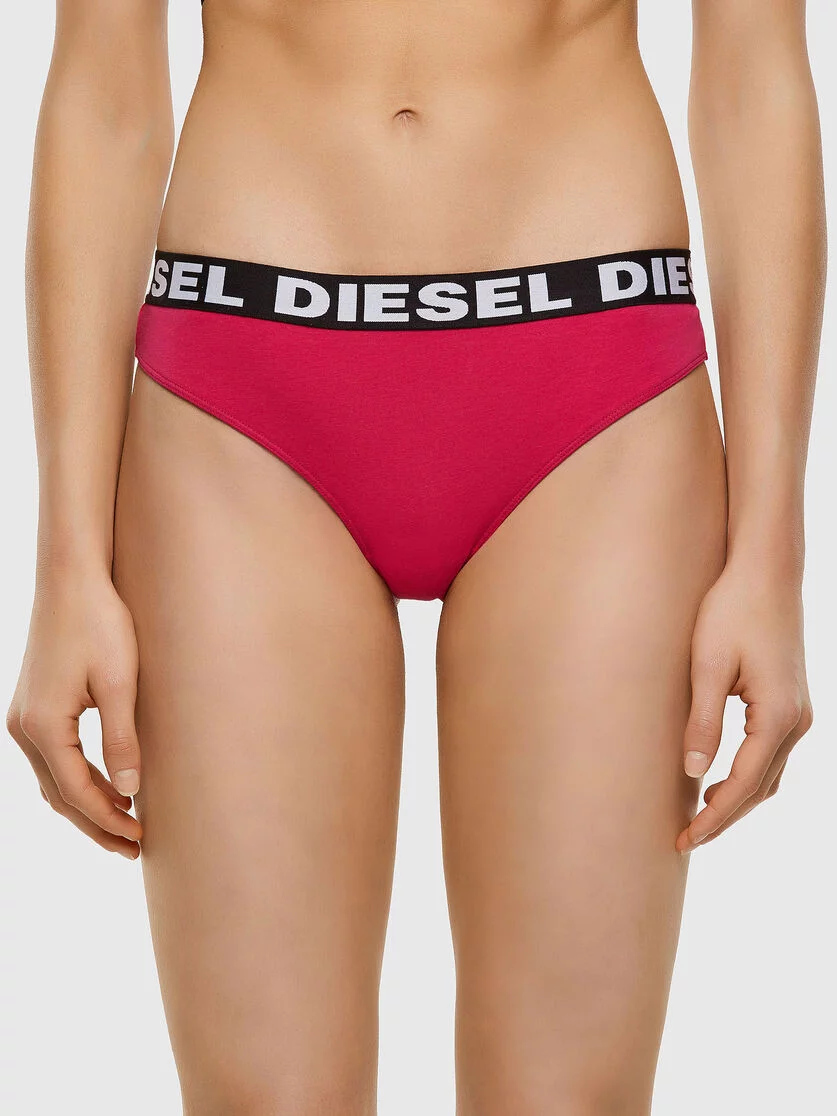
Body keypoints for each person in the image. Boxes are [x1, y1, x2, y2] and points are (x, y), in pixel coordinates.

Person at [6, 1, 825, 1112]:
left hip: (593, 371)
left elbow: (752, 71)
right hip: (241, 380)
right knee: (263, 1103)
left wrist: (772, 555)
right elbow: (104, 88)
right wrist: (66, 563)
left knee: (569, 1104)